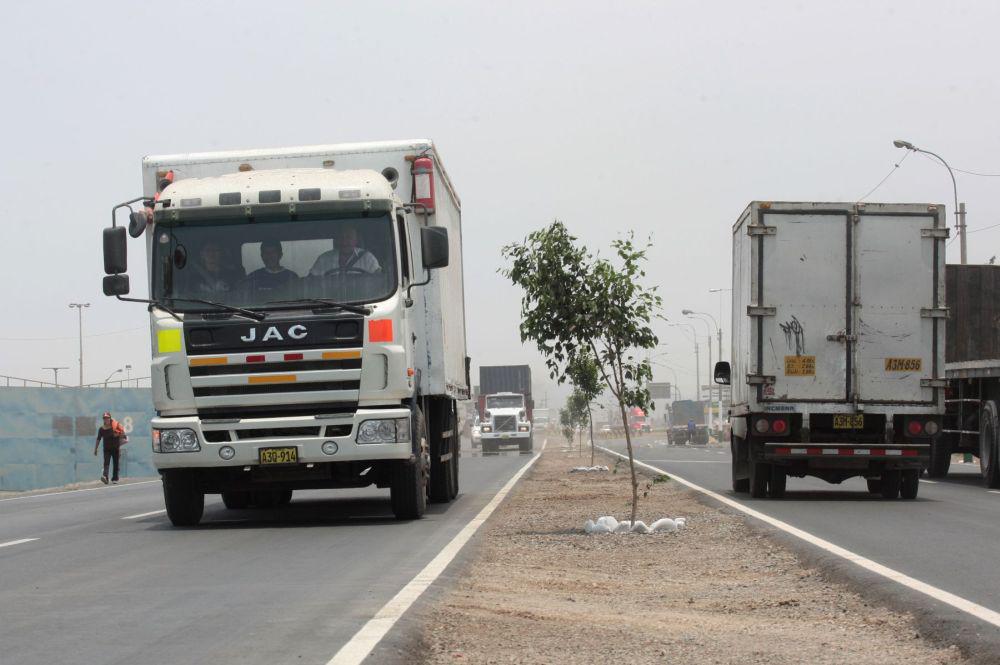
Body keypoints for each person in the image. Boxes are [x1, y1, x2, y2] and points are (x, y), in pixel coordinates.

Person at [309, 225, 380, 276]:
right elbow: (311, 282)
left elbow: (379, 280)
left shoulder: (368, 258)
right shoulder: (323, 259)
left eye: (349, 237)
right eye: (341, 237)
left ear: (356, 240)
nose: (344, 242)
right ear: (337, 240)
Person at [94, 412, 128, 485]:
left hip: (115, 449)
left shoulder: (115, 427)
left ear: (110, 418)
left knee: (116, 463)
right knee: (106, 463)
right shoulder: (101, 429)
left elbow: (123, 435)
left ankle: (115, 479)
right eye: (105, 418)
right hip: (107, 449)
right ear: (103, 419)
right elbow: (98, 439)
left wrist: (119, 435)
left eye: (107, 418)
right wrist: (96, 448)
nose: (106, 419)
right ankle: (105, 477)